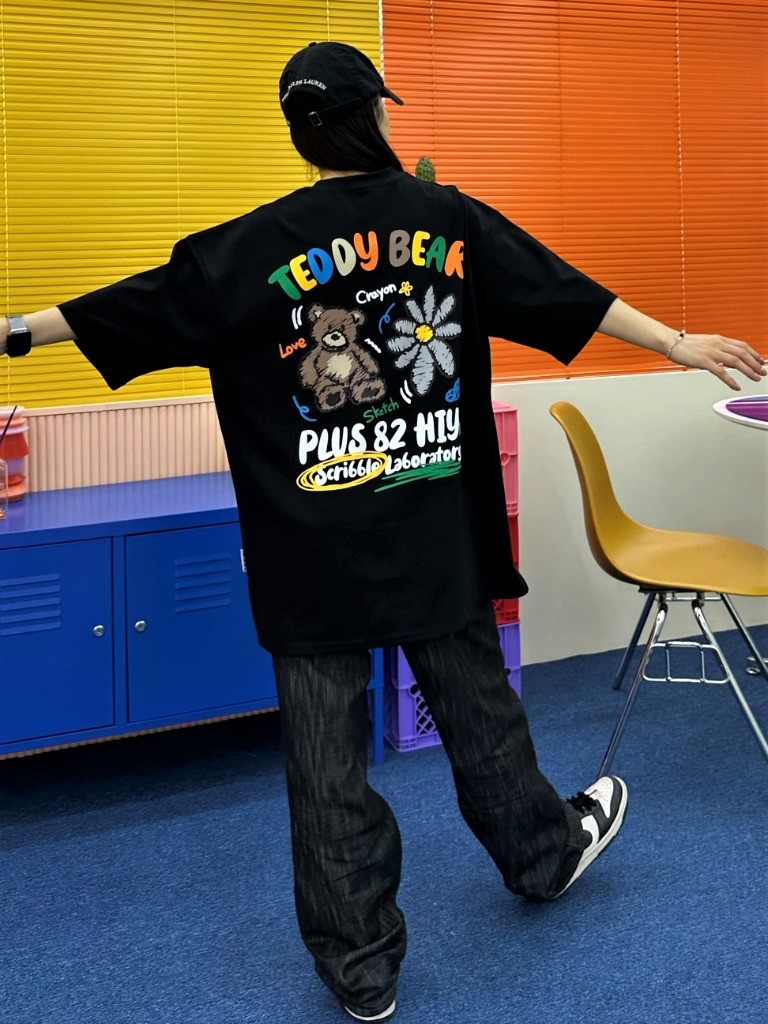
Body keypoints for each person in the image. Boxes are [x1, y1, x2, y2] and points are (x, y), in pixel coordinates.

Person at [2, 41, 765, 1022]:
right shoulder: (444, 218)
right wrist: (676, 341)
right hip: (432, 535)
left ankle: (361, 966)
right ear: (374, 115)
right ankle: (543, 856)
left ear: (302, 134)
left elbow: (130, 306)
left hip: (310, 549)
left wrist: (14, 331)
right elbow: (558, 286)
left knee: (326, 759)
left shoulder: (250, 246)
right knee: (480, 717)